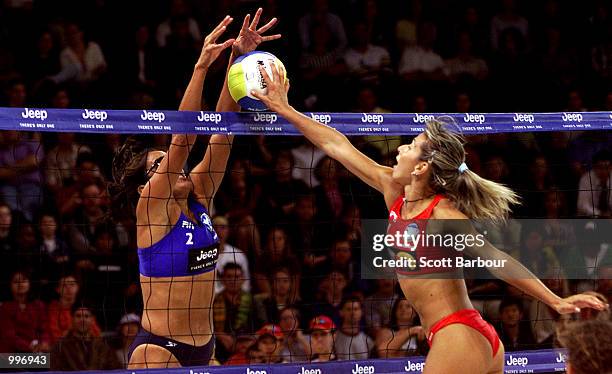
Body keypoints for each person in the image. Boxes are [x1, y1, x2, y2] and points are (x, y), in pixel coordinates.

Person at [252, 64, 607, 373]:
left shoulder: (442, 214)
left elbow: (496, 260)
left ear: (422, 167)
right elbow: (337, 145)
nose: (402, 148)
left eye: (411, 145)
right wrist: (286, 109)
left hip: (459, 334)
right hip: (460, 336)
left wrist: (555, 302)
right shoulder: (395, 192)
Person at [109, 11, 280, 369]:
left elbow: (222, 130)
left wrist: (239, 60)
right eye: (159, 165)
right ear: (144, 187)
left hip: (205, 351)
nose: (174, 167)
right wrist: (202, 66)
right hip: (159, 351)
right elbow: (184, 139)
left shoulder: (198, 195)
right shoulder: (152, 206)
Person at [50, 301, 121, 371]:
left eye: (86, 316)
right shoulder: (60, 347)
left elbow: (116, 369)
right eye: (78, 316)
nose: (82, 320)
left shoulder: (103, 347)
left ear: (92, 320)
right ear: (72, 319)